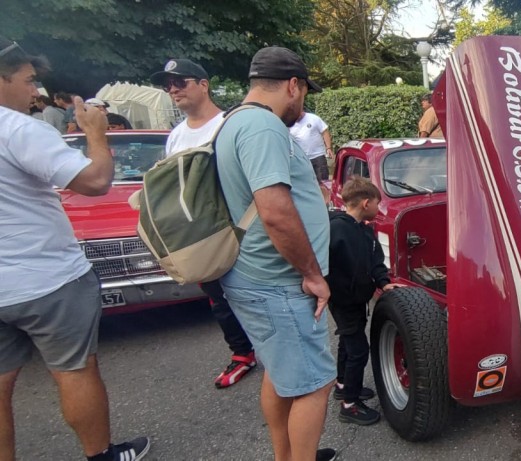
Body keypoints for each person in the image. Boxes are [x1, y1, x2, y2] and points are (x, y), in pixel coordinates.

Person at [0, 37, 150, 461]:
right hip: (46, 278)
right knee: (75, 370)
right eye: (29, 80)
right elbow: (94, 181)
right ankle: (102, 456)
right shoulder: (17, 128)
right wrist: (95, 135)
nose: (36, 91)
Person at [214, 46, 336, 461]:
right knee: (314, 384)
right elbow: (276, 213)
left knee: (282, 375)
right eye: (303, 94)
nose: (302, 105)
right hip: (280, 284)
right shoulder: (263, 127)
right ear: (292, 85)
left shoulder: (232, 121)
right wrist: (313, 275)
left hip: (254, 276)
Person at [149, 58, 258, 389]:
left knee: (254, 294)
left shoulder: (229, 123)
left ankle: (271, 349)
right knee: (218, 300)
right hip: (200, 235)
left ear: (203, 84)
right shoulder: (176, 136)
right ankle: (242, 354)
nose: (172, 90)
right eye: (167, 85)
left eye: (180, 82)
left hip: (240, 227)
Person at [327, 178, 399, 425]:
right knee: (358, 350)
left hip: (358, 300)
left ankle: (343, 383)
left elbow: (376, 261)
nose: (379, 208)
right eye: (378, 203)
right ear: (366, 202)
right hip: (342, 300)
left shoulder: (366, 231)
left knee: (348, 342)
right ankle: (350, 404)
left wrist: (382, 281)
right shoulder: (334, 229)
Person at [290, 110, 333, 181]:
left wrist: (328, 148)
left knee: (323, 181)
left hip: (318, 156)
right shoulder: (290, 124)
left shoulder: (313, 118)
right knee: (306, 182)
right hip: (302, 160)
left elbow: (325, 132)